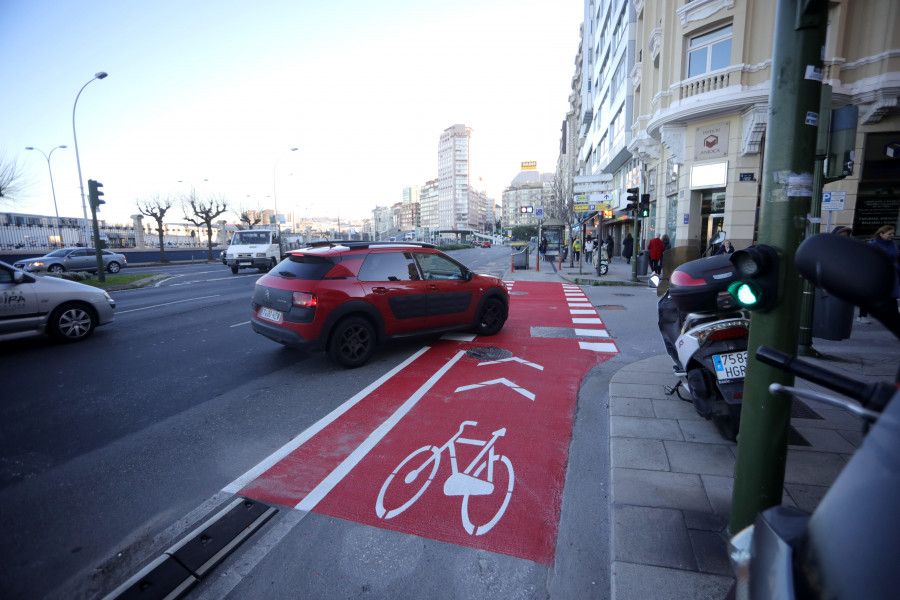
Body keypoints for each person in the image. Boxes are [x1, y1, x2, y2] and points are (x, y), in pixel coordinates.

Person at [859, 225, 900, 323]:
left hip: (892, 272)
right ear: (881, 234)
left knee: (892, 295)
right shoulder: (874, 244)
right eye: (889, 234)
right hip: (878, 272)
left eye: (893, 233)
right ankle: (862, 316)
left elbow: (896, 256)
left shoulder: (893, 244)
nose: (892, 235)